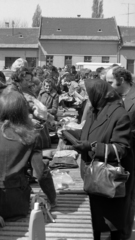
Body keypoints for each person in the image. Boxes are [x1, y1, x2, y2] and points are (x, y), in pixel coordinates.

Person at [0, 91, 56, 222]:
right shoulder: (31, 136)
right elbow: (41, 173)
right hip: (18, 204)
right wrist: (52, 198)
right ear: (23, 112)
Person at [71, 78, 133, 240]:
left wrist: (91, 147)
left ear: (98, 94)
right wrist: (71, 136)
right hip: (94, 176)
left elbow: (121, 149)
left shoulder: (119, 115)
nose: (86, 96)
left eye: (88, 93)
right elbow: (89, 134)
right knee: (97, 223)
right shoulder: (95, 110)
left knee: (110, 225)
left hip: (108, 179)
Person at [106, 66, 135, 240]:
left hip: (131, 155)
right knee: (112, 195)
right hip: (112, 154)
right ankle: (113, 230)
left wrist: (122, 133)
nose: (107, 85)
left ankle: (123, 234)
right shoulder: (112, 97)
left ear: (121, 80)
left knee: (128, 197)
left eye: (110, 82)